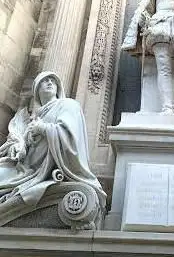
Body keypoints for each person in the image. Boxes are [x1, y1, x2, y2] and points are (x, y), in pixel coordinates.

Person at [0, 71, 106, 209]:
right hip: (24, 170)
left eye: (53, 81)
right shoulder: (29, 118)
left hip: (45, 171)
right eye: (45, 80)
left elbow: (70, 137)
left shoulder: (68, 105)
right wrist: (18, 147)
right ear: (37, 89)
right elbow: (15, 140)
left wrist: (43, 128)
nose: (50, 82)